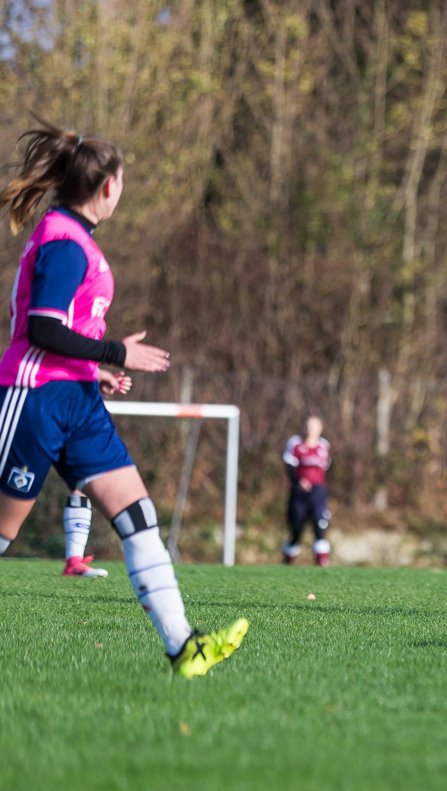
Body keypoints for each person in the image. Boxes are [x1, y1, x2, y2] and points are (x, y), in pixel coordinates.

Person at [0, 119, 247, 676]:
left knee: (138, 515)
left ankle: (185, 647)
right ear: (107, 186)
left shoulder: (77, 237)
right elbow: (40, 330)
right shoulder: (64, 242)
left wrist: (95, 365)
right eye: (123, 182)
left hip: (78, 401)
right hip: (34, 399)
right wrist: (114, 353)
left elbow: (67, 328)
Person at [60, 367, 131, 578]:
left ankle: (74, 561)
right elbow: (54, 346)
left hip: (72, 412)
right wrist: (119, 354)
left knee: (81, 483)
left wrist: (97, 383)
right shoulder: (49, 335)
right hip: (35, 407)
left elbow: (74, 360)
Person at [282, 415, 332, 566]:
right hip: (299, 493)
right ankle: (288, 559)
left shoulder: (324, 446)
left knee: (320, 524)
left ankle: (322, 562)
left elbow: (325, 468)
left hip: (318, 492)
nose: (310, 430)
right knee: (296, 528)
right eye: (308, 426)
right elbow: (289, 466)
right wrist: (299, 480)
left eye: (314, 427)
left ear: (320, 429)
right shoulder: (295, 443)